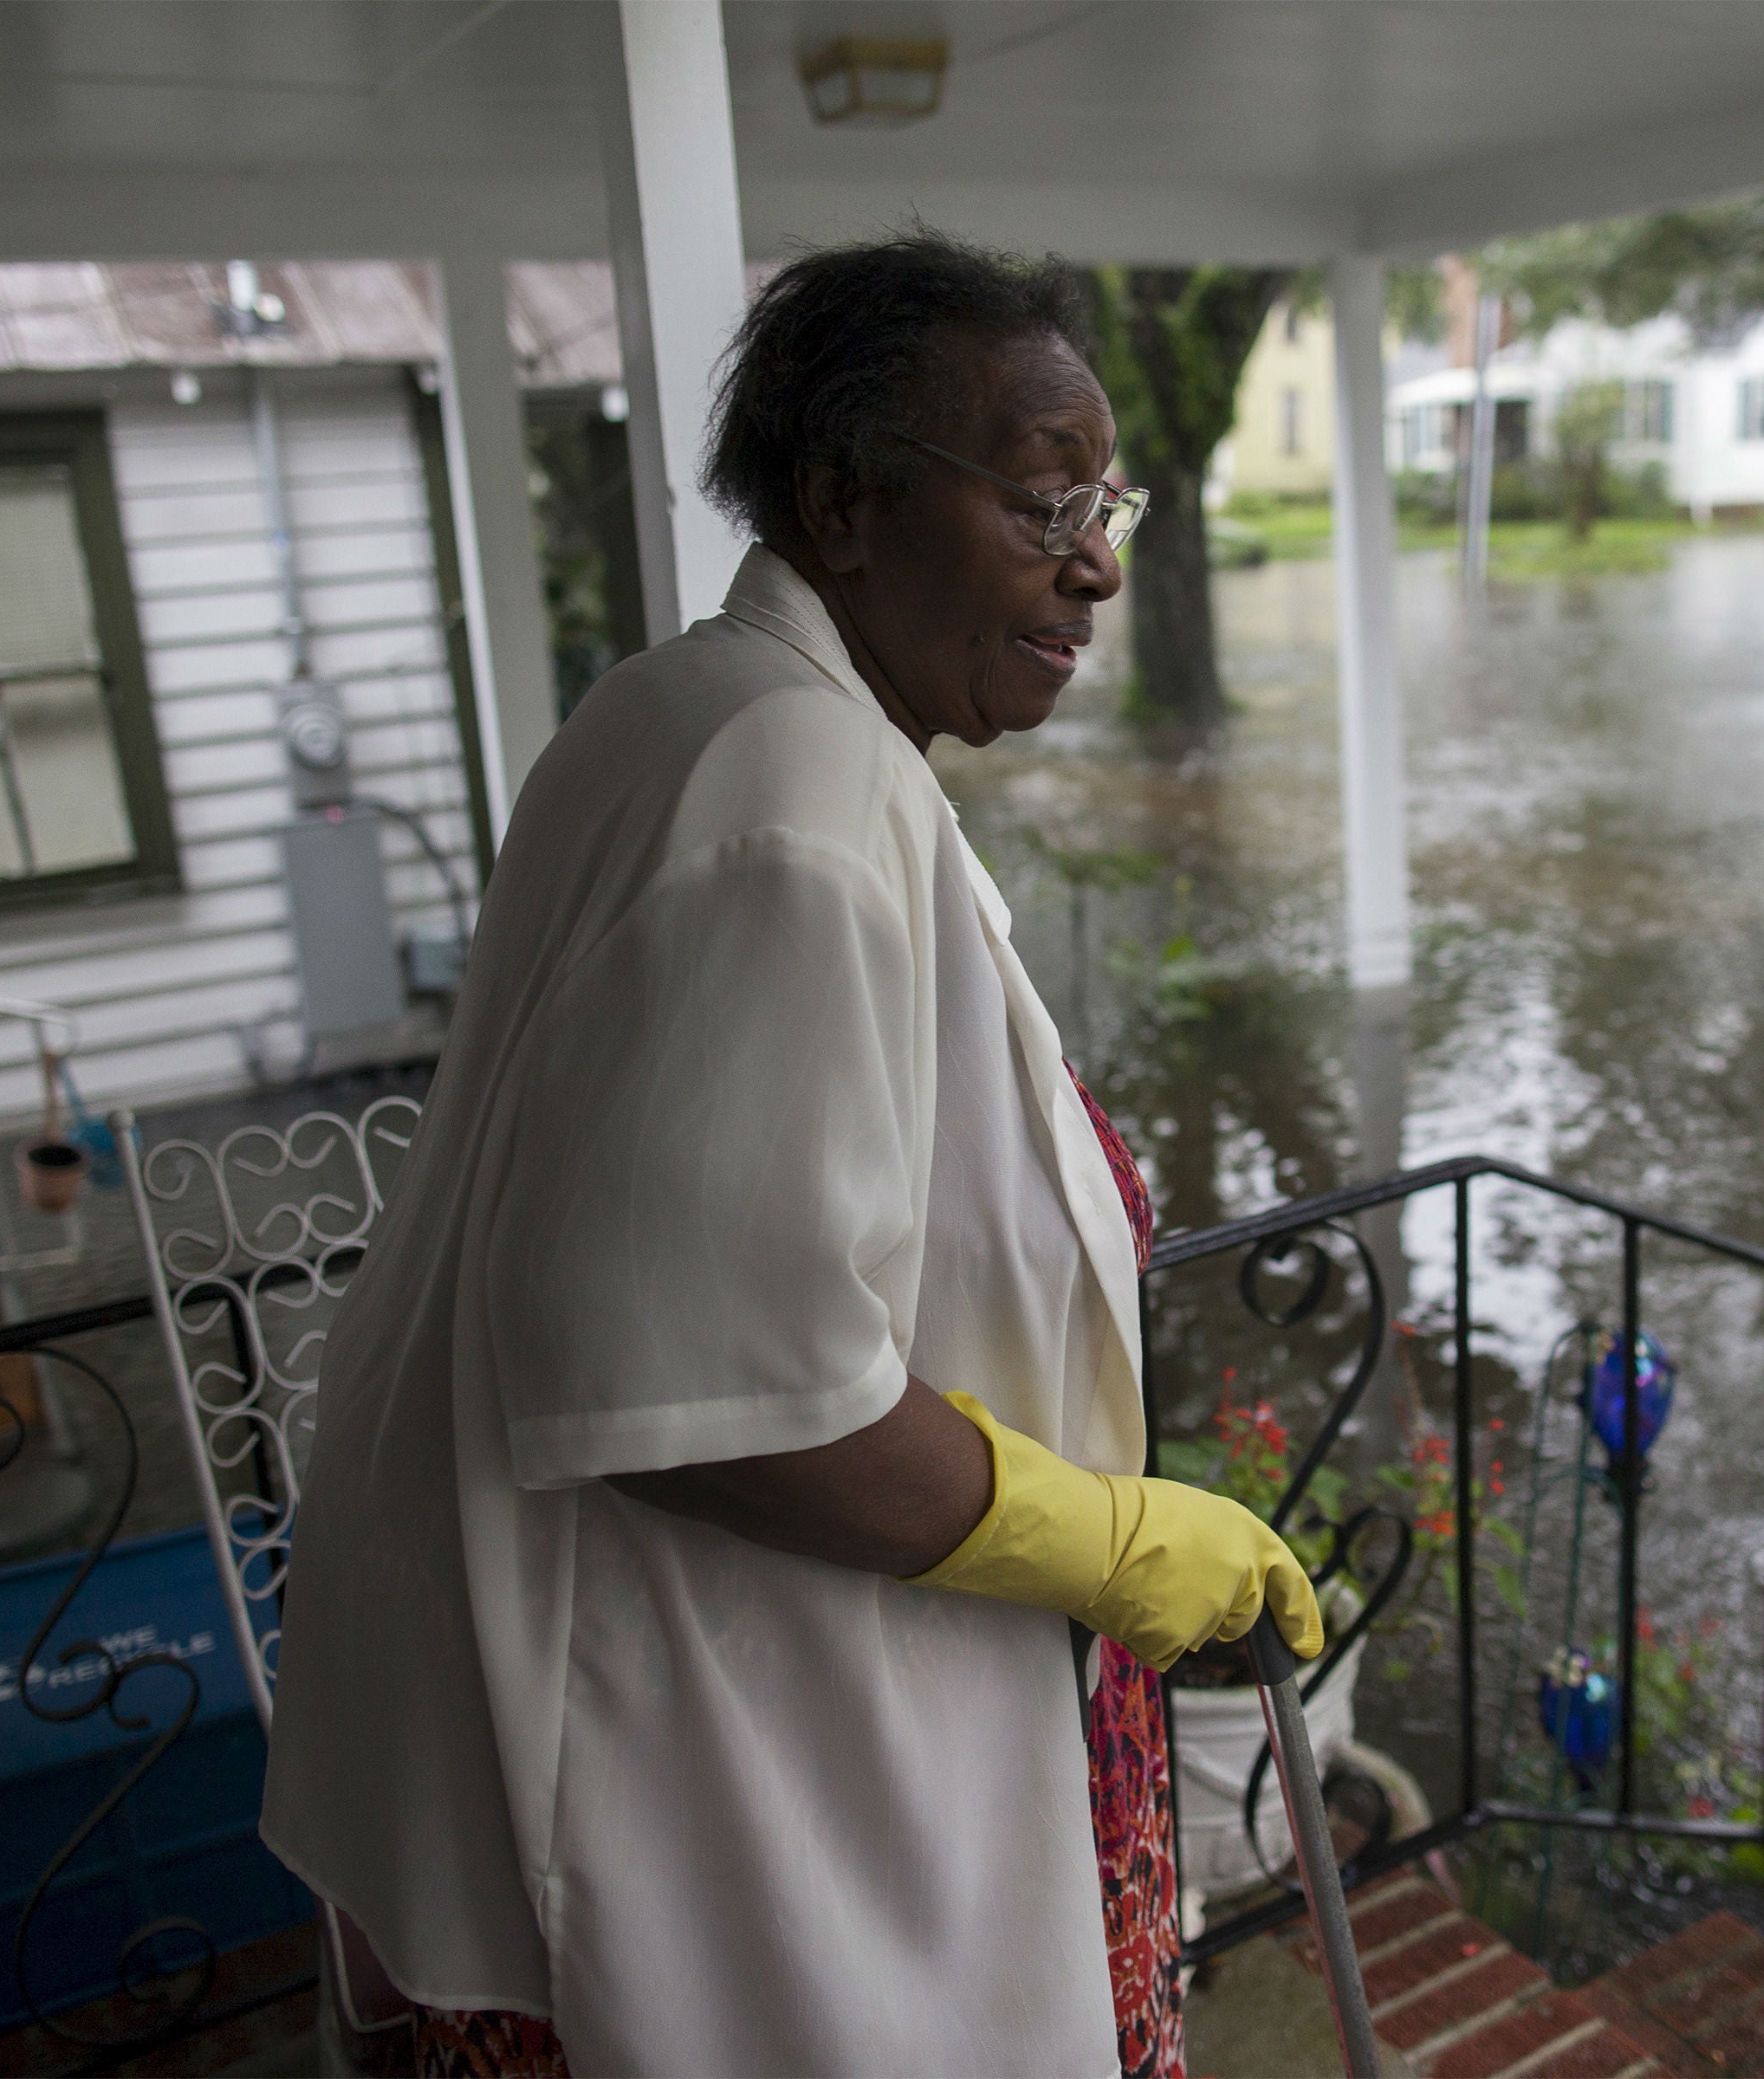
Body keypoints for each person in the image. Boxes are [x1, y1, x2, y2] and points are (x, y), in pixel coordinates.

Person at [259, 234, 1323, 2079]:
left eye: (1110, 500)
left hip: (749, 1713)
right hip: (747, 1773)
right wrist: (1121, 1540)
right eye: (1043, 499)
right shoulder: (794, 790)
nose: (1097, 559)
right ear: (841, 501)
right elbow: (730, 1398)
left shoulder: (686, 707)